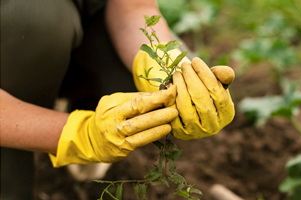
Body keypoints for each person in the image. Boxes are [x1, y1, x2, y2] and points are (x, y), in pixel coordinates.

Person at [0, 0, 235, 199]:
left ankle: (83, 125)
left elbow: (133, 6)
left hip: (81, 25)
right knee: (31, 19)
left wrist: (166, 68)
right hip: (21, 39)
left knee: (154, 80)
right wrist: (78, 135)